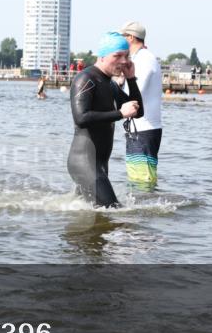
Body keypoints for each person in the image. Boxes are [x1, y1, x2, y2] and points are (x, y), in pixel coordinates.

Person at [67, 32, 143, 207]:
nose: (123, 61)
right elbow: (81, 118)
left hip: (100, 163)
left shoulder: (110, 84)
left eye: (126, 56)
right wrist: (119, 114)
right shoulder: (85, 79)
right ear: (101, 56)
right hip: (84, 161)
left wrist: (131, 79)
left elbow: (138, 112)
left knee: (92, 214)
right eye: (117, 56)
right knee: (114, 210)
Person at [119, 21, 163, 188]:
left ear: (130, 37)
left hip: (144, 129)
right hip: (139, 128)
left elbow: (136, 92)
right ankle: (141, 211)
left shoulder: (145, 59)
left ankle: (145, 212)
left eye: (122, 37)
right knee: (137, 178)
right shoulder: (139, 58)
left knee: (143, 180)